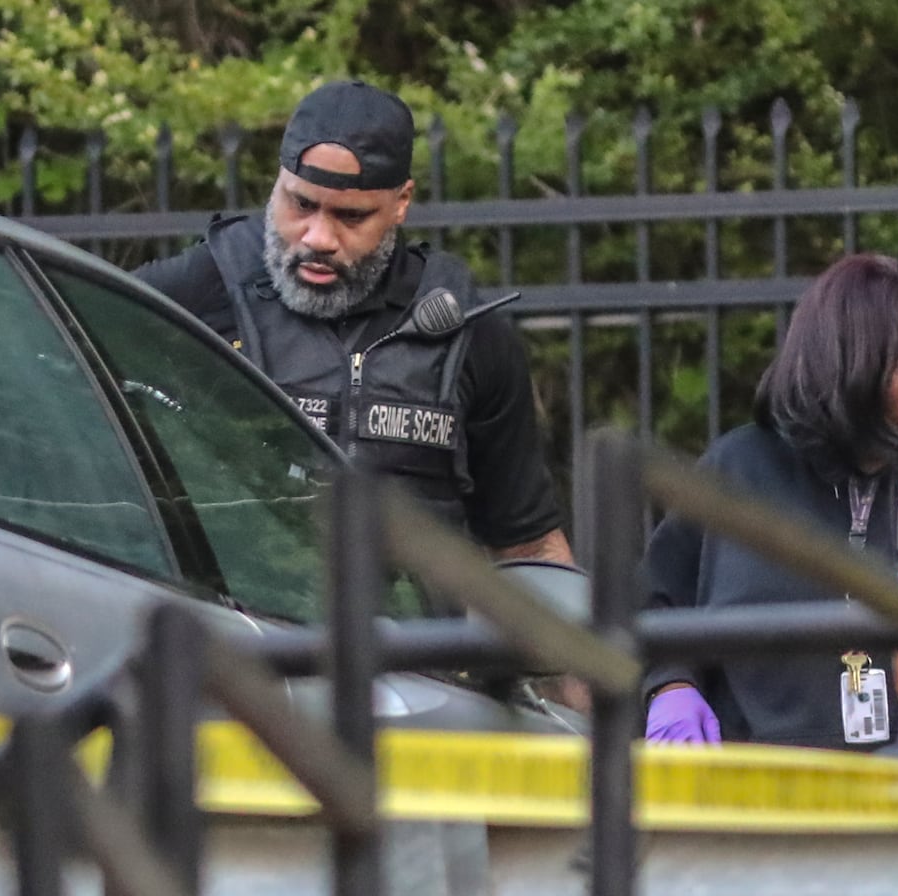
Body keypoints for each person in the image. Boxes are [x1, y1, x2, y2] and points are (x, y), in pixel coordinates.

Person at [133, 80, 573, 566]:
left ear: (401, 203)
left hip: (409, 634)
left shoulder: (466, 329)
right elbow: (63, 352)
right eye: (300, 204)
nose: (318, 237)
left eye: (350, 216)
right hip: (243, 630)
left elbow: (528, 545)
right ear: (278, 182)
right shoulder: (209, 285)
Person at [641, 254, 898, 748]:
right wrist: (670, 686)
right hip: (755, 788)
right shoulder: (740, 470)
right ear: (844, 360)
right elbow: (654, 600)